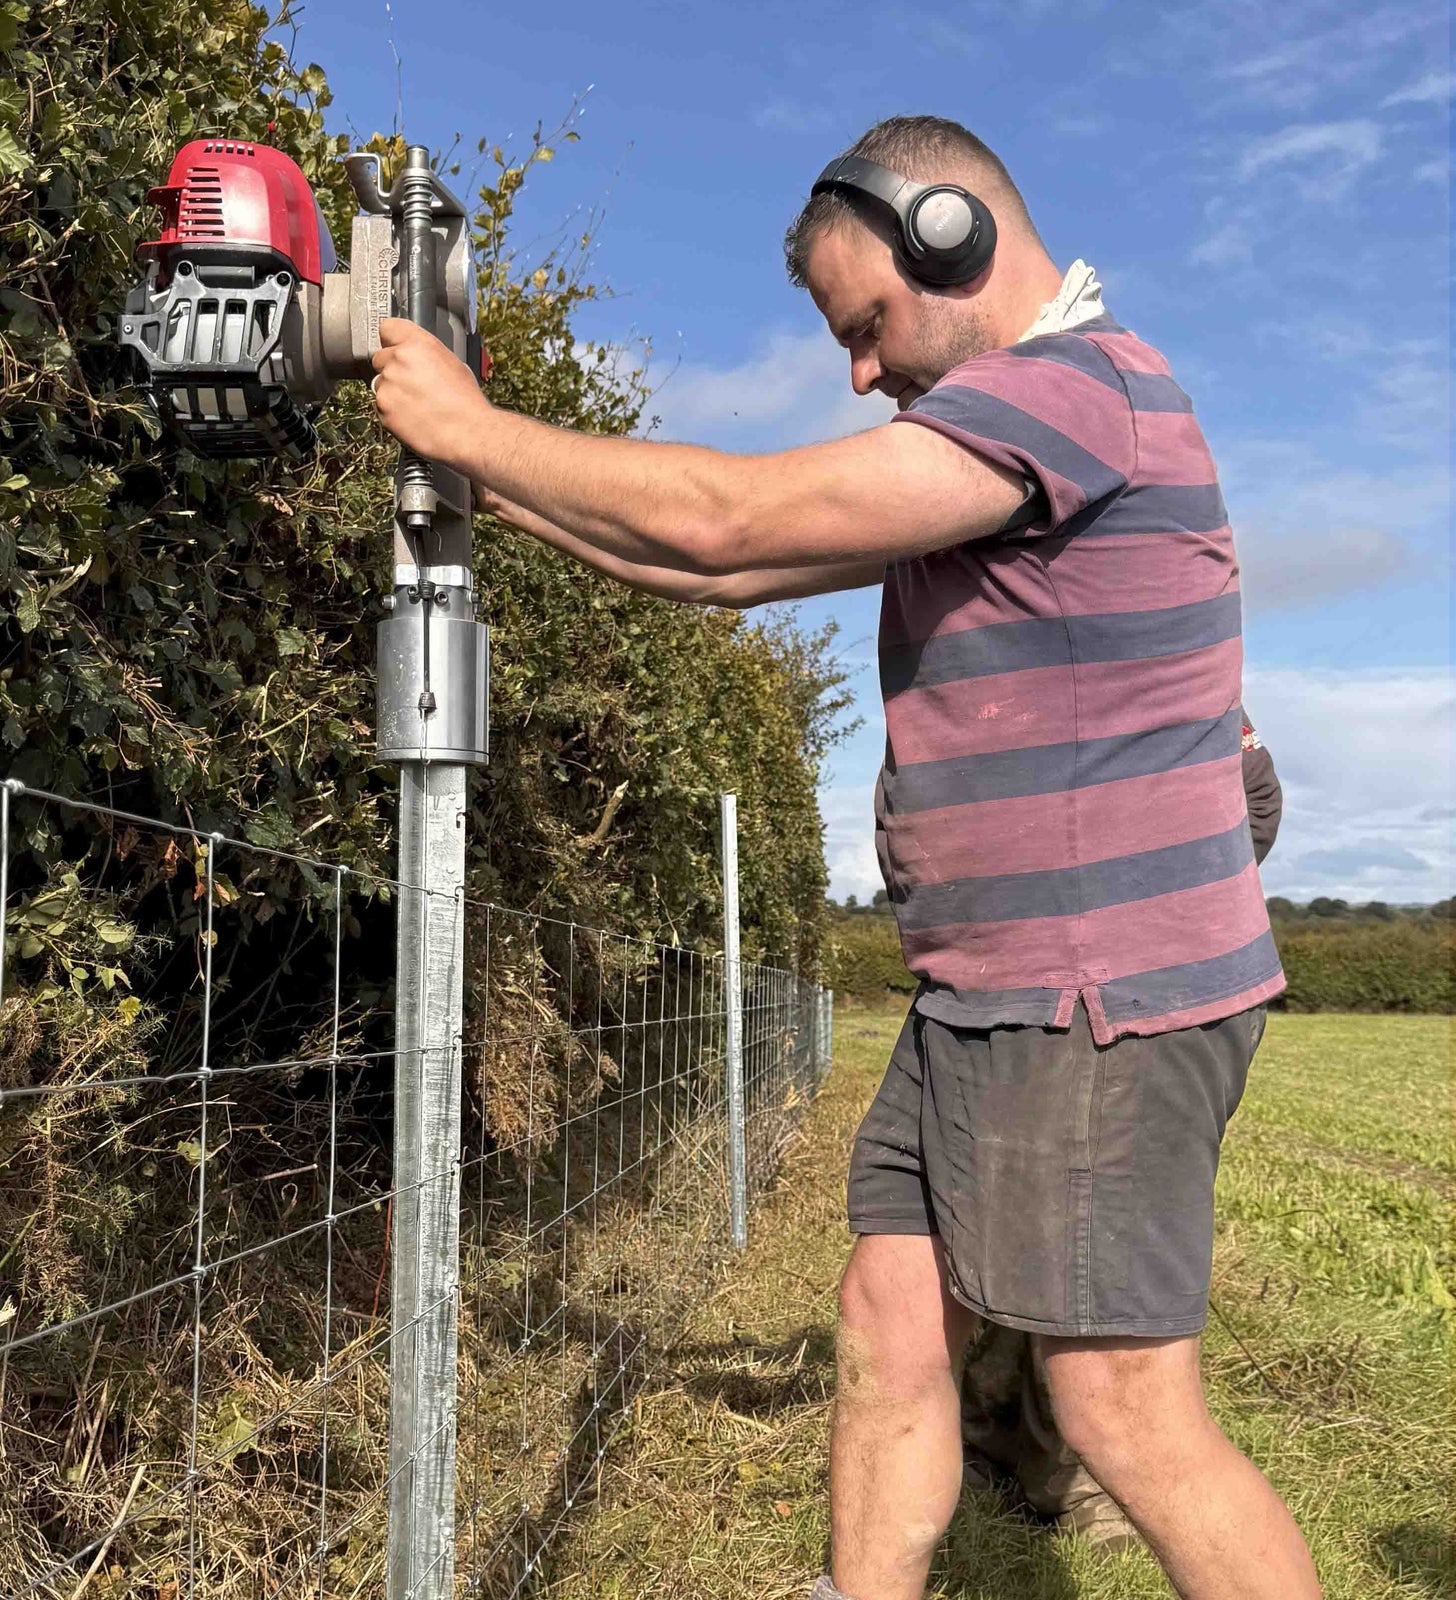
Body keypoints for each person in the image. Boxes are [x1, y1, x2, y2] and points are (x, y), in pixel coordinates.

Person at [369, 114, 1319, 1600]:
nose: (861, 372)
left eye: (866, 326)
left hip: (1094, 1002)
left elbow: (735, 510)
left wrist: (472, 427)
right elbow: (717, 570)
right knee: (889, 1315)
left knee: (1124, 1405)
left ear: (957, 237)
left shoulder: (1075, 397)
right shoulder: (994, 449)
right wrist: (486, 480)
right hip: (982, 995)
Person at [957, 715, 1283, 1553]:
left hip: (1136, 994)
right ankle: (1003, 1431)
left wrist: (1130, 918)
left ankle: (1078, 1476)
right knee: (1024, 1220)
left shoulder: (1183, 699)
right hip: (1045, 984)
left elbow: (1254, 805)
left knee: (1094, 1248)